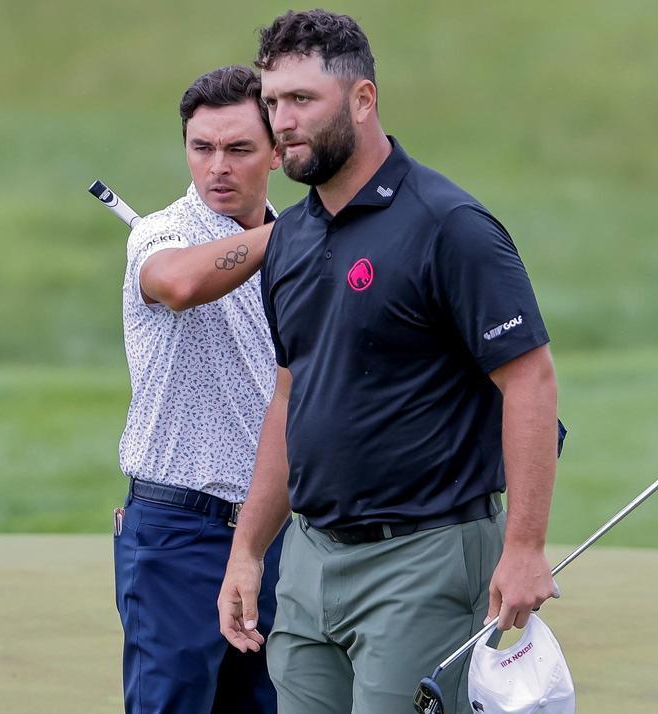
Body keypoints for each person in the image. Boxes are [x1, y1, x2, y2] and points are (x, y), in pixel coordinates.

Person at [217, 11, 560, 713]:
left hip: (425, 558)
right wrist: (249, 548)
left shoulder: (448, 226)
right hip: (311, 561)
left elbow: (530, 380)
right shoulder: (290, 239)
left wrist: (524, 547)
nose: (283, 121)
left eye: (302, 100)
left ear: (363, 100)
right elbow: (291, 396)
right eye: (273, 101)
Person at [113, 64, 285, 714]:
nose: (218, 166)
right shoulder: (160, 233)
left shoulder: (301, 246)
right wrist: (298, 233)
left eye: (239, 149)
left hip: (273, 534)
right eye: (201, 147)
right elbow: (180, 284)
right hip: (175, 530)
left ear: (276, 151)